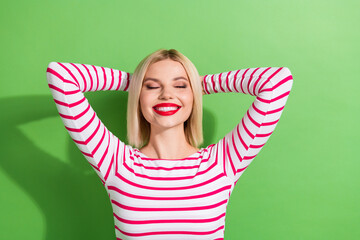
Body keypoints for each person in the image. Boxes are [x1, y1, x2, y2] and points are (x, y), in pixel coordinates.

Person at [46, 48, 293, 240]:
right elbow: (62, 76)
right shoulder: (116, 164)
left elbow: (277, 82)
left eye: (180, 85)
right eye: (152, 86)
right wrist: (135, 83)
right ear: (138, 98)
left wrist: (200, 84)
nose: (166, 94)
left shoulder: (222, 164)